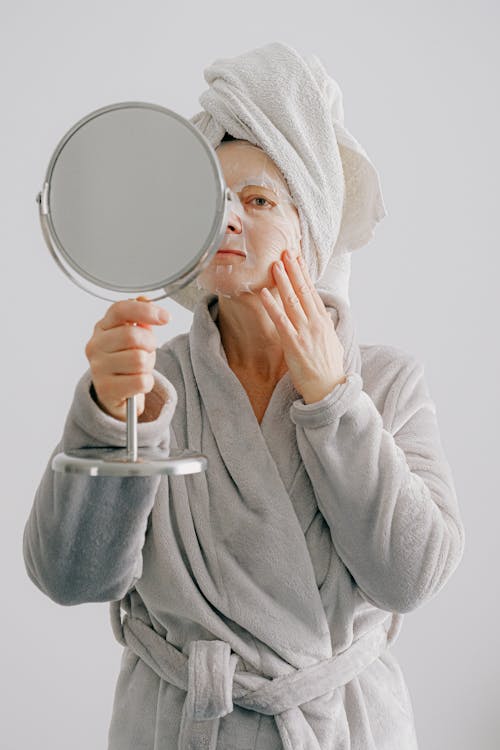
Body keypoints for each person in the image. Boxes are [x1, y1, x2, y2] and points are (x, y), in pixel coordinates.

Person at [23, 43, 466, 750]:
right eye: (215, 201)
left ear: (309, 228)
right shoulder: (148, 377)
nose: (229, 218)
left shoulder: (386, 381)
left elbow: (412, 579)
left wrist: (334, 402)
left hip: (340, 730)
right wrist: (107, 419)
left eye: (258, 200)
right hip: (179, 728)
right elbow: (70, 578)